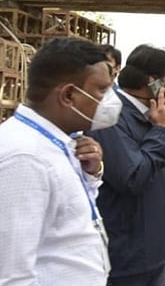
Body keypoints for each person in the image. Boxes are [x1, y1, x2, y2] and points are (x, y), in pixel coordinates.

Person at [0, 38, 112, 285]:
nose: (110, 101)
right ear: (69, 95)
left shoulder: (56, 143)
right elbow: (11, 276)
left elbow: (64, 217)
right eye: (102, 90)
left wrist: (91, 175)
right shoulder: (25, 157)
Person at [89, 44, 165, 286]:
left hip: (152, 253)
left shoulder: (152, 114)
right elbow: (132, 177)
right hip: (126, 257)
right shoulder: (112, 116)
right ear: (153, 82)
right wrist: (161, 131)